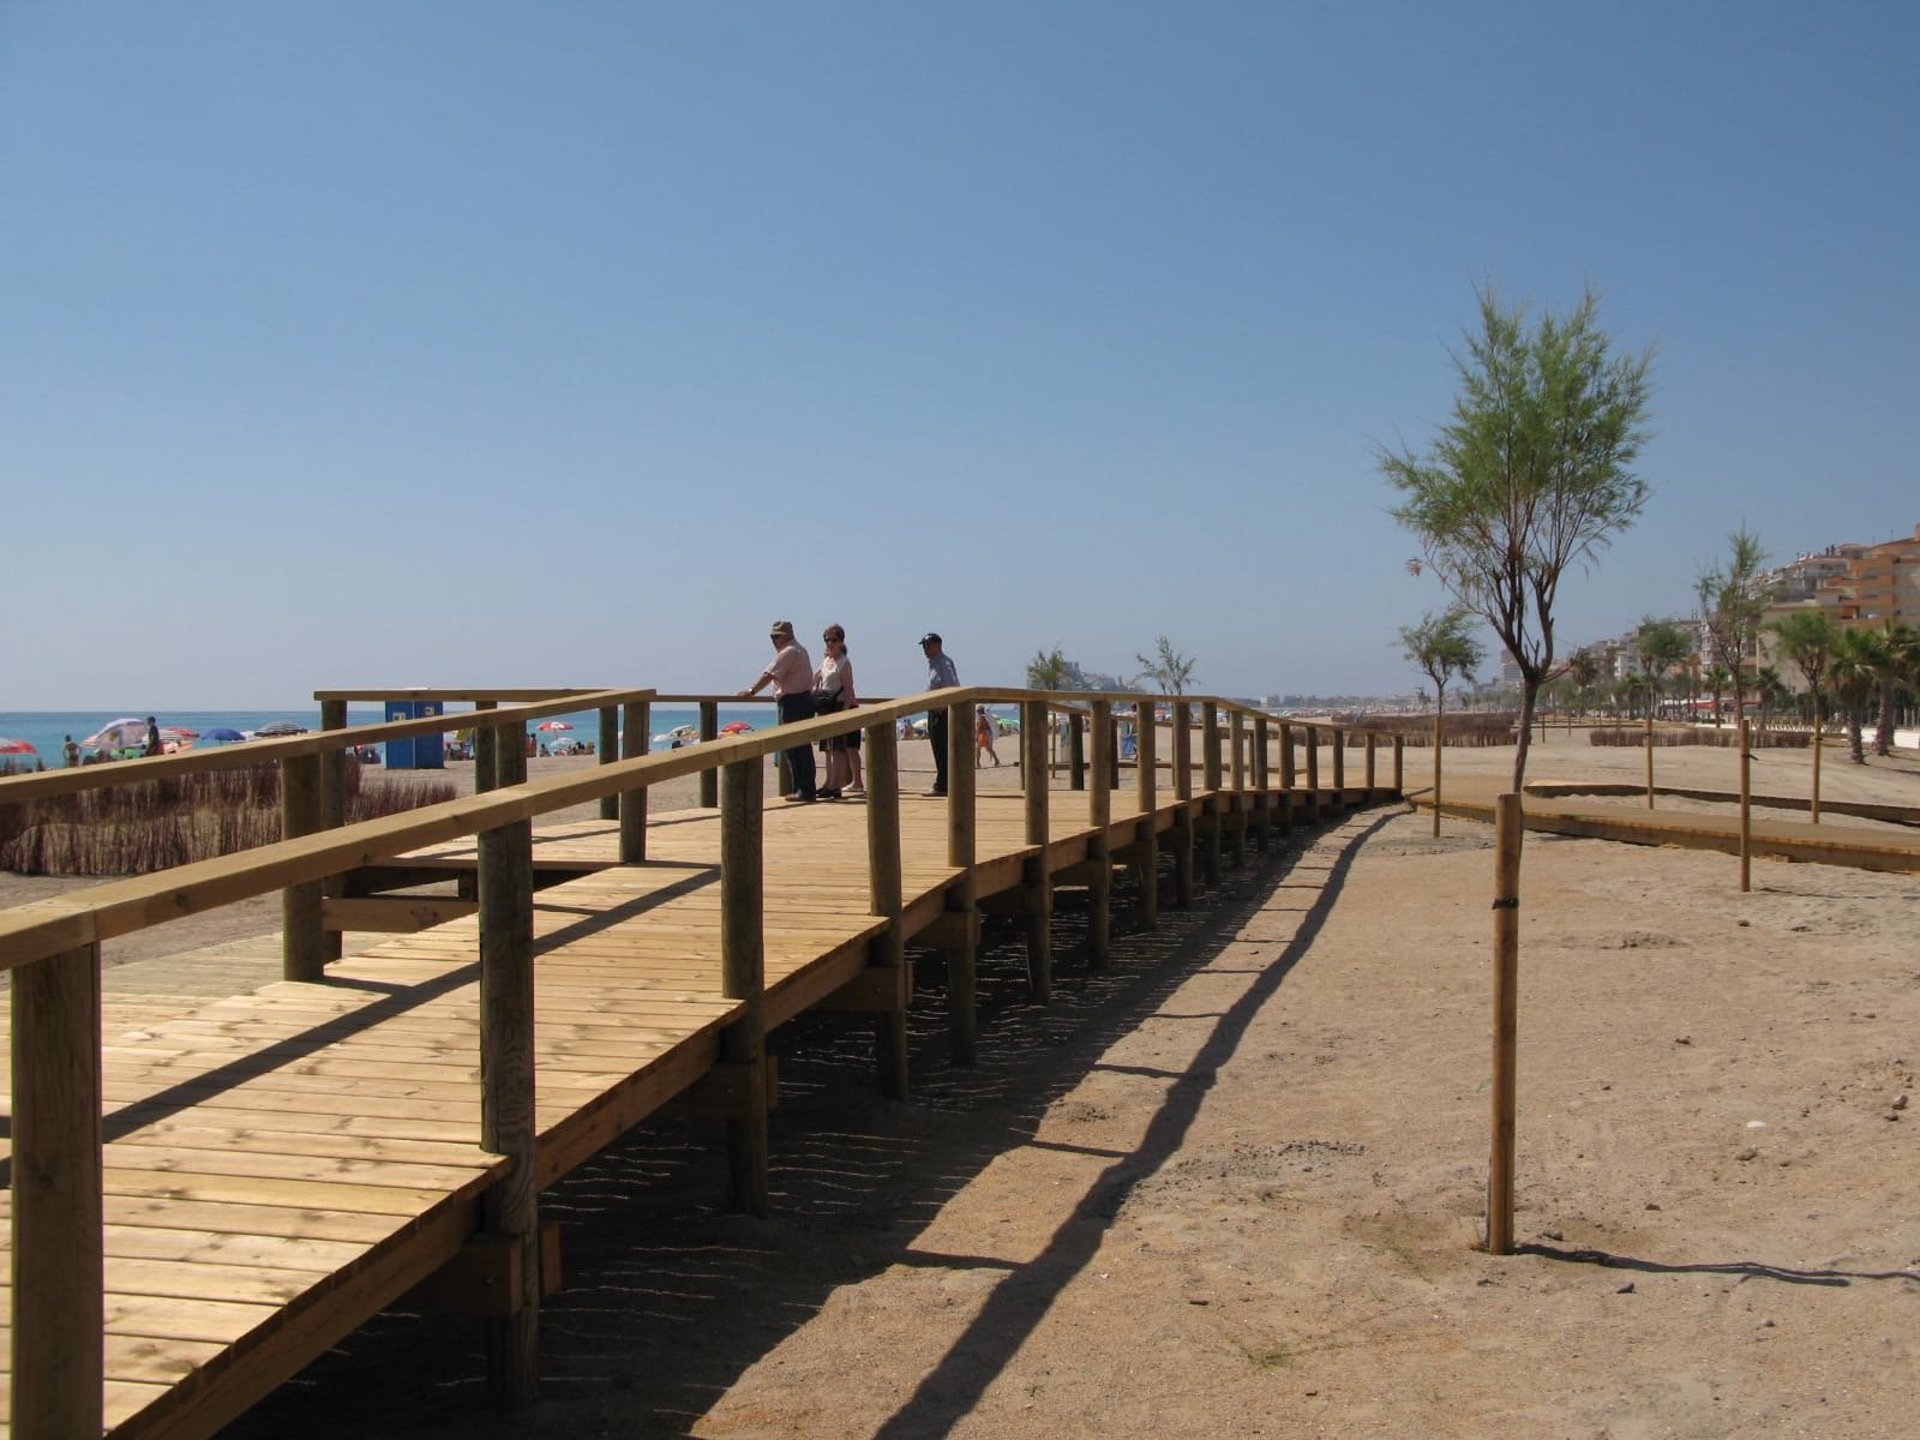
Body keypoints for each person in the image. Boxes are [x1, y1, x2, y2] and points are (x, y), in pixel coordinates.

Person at [741, 619, 817, 802]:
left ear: (788, 636)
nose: (774, 641)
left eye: (777, 637)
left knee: (795, 747)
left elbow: (769, 674)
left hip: (794, 702)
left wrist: (751, 691)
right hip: (800, 701)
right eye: (772, 637)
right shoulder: (799, 649)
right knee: (799, 747)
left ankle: (803, 790)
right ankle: (803, 789)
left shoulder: (789, 651)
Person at [813, 624, 860, 799]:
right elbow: (815, 679)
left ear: (841, 642)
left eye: (834, 640)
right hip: (825, 705)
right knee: (827, 748)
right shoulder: (826, 661)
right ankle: (828, 782)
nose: (830, 643)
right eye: (827, 640)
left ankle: (835, 785)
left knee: (838, 748)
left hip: (838, 705)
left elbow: (848, 688)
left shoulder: (844, 663)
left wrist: (845, 711)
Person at [919, 632, 958, 796]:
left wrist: (942, 706)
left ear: (938, 645)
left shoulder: (943, 662)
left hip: (942, 712)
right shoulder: (933, 664)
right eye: (924, 646)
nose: (925, 649)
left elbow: (952, 685)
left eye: (928, 646)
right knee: (938, 749)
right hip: (934, 711)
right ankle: (944, 784)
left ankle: (943, 786)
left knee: (943, 749)